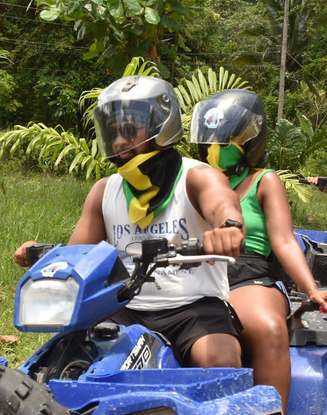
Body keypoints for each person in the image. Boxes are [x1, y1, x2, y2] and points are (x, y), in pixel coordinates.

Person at [14, 75, 246, 370]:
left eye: (130, 130)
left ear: (161, 126)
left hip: (194, 308)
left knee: (220, 360)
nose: (120, 140)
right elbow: (77, 258)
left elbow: (223, 204)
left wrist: (228, 228)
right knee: (63, 363)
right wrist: (40, 255)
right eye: (113, 133)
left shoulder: (197, 176)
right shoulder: (105, 190)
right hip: (122, 308)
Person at [189, 89, 327, 415]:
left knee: (267, 329)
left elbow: (284, 241)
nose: (217, 147)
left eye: (227, 138)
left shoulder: (264, 180)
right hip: (193, 268)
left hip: (248, 273)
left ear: (250, 141)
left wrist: (311, 289)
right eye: (212, 139)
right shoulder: (191, 179)